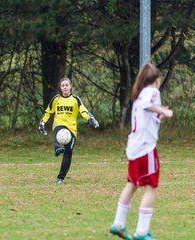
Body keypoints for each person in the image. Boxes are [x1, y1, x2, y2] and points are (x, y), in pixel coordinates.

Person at [109, 63, 173, 240]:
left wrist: (160, 112)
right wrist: (163, 111)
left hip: (134, 147)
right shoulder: (152, 92)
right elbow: (148, 105)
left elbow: (148, 114)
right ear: (156, 80)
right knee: (151, 187)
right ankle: (142, 232)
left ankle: (118, 224)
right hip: (146, 148)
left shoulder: (139, 95)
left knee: (132, 183)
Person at [38, 77, 99, 184]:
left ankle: (60, 177)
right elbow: (48, 112)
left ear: (70, 86)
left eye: (67, 85)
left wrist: (90, 119)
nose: (65, 87)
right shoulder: (56, 99)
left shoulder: (75, 99)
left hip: (72, 129)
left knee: (68, 152)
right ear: (60, 88)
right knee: (59, 131)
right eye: (63, 85)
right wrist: (42, 122)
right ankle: (57, 148)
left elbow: (83, 111)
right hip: (59, 124)